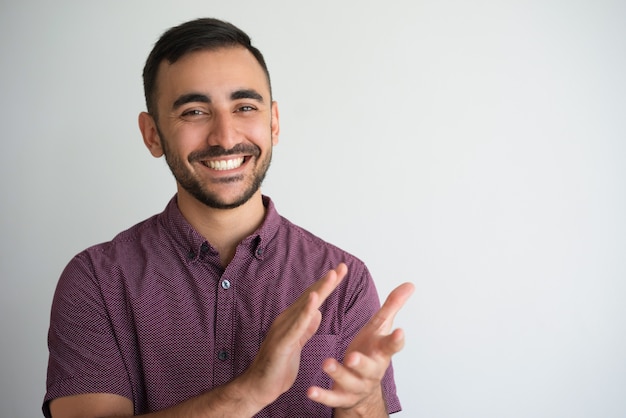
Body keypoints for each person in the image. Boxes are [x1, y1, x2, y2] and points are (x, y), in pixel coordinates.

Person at [43, 17, 414, 418]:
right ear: (152, 135)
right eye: (195, 111)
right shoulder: (95, 280)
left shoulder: (345, 281)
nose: (224, 136)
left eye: (245, 107)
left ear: (273, 122)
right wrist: (251, 391)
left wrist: (363, 401)